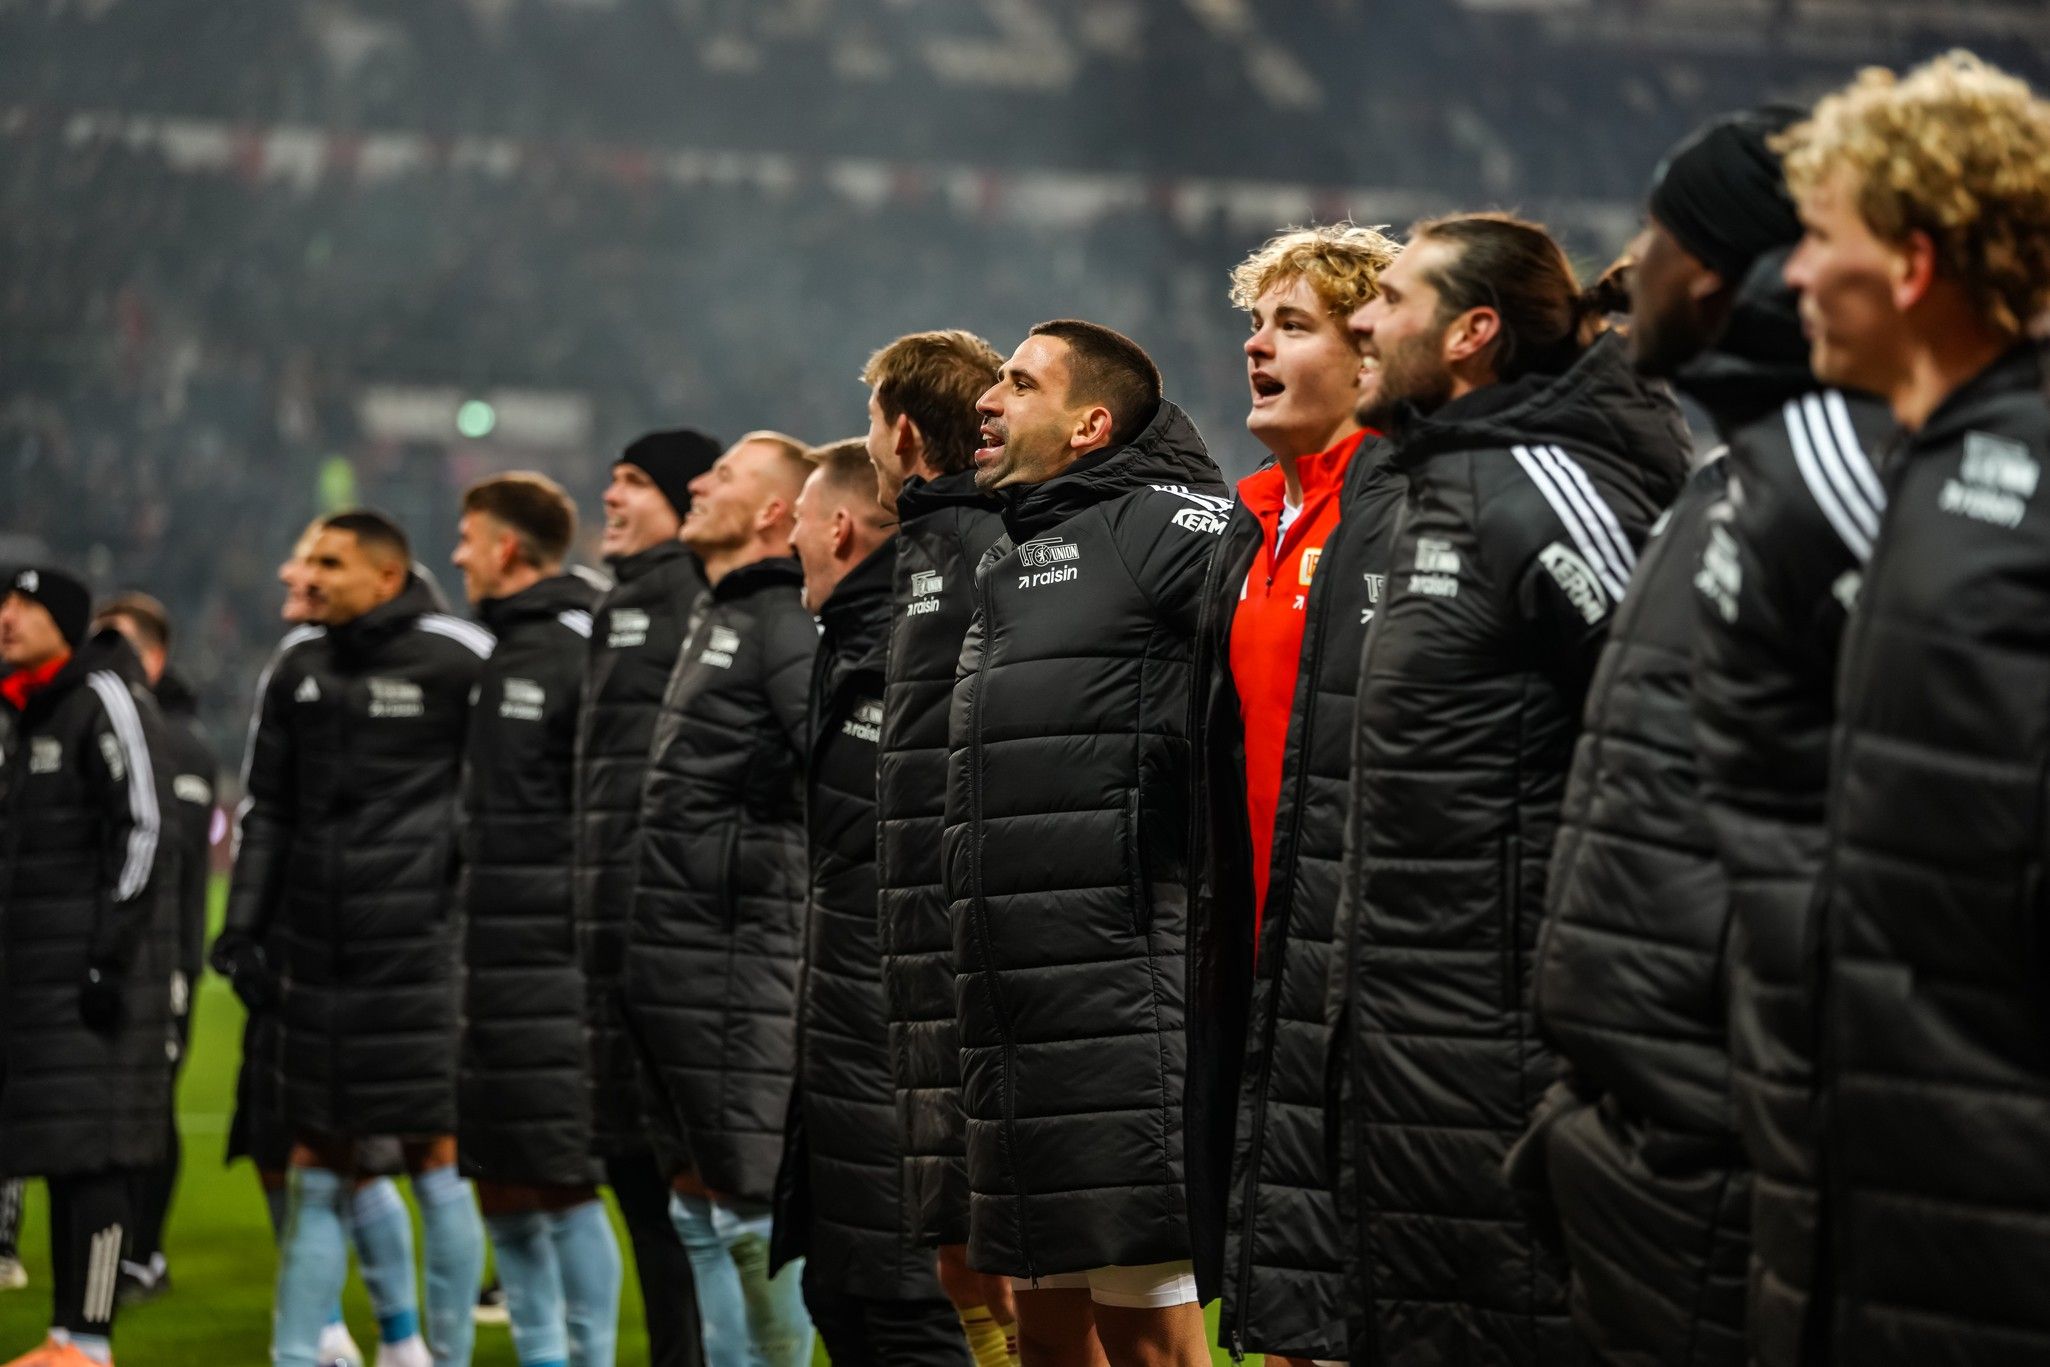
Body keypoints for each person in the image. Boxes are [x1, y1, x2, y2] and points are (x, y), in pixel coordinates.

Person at [1515, 108, 1893, 1366]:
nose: (1629, 266)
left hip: (1726, 1148)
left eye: (1657, 232)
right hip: (1638, 1136)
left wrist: (1739, 1095)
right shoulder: (1736, 478)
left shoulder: (1845, 479)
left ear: (1728, 268)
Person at [1333, 214, 1690, 1364]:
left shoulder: (1549, 488)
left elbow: (1666, 735)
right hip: (1416, 1047)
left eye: (1390, 297)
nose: (1359, 318)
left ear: (1471, 333)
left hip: (1514, 1053)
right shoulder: (1436, 480)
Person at [1778, 53, 2050, 1363]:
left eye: (1818, 237)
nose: (1788, 275)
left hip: (1990, 1192)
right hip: (1901, 1166)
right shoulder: (1925, 471)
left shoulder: (2021, 481)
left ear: (1912, 262)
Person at [945, 320, 1228, 1367]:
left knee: (1150, 1335)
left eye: (1019, 382)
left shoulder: (1167, 523)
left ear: (1089, 423)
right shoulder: (1018, 551)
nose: (990, 397)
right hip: (1020, 1012)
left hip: (1121, 999)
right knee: (1045, 1332)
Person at [1188, 224, 1403, 1367]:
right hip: (1266, 967)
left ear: (1370, 353)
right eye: (1254, 321)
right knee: (1284, 1315)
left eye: (1291, 323)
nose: (1253, 343)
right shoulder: (1256, 511)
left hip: (1365, 970)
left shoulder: (1403, 510)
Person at [211, 510, 492, 1367]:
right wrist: (244, 927)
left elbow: (503, 796)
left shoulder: (458, 656)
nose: (307, 572)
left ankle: (439, 1356)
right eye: (304, 556)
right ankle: (301, 1355)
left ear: (385, 573)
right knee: (315, 1158)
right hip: (317, 956)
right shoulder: (295, 665)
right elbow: (268, 810)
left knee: (434, 1153)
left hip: (421, 955)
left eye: (328, 560)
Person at [770, 440, 972, 1365]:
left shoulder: (912, 645)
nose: (789, 541)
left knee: (907, 1320)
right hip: (849, 1070)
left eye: (800, 521)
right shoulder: (847, 646)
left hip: (902, 1081)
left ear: (840, 528)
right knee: (846, 1304)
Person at [625, 432, 819, 1367]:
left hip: (742, 962)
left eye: (727, 477)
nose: (700, 484)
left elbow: (836, 771)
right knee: (696, 1206)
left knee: (744, 1207)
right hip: (684, 959)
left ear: (777, 512)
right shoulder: (720, 613)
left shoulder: (783, 619)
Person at [863, 329, 1020, 1367]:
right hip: (930, 921)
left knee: (1004, 1237)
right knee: (963, 1238)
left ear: (906, 431)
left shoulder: (984, 547)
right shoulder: (933, 546)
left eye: (875, 421)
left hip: (966, 926)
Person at [449, 474, 622, 1367]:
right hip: (489, 960)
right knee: (504, 1184)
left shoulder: (575, 642)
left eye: (468, 537)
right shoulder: (504, 649)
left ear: (508, 548)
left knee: (559, 1182)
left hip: (554, 965)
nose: (457, 554)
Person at [0, 565, 179, 1367]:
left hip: (92, 981)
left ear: (67, 622)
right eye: (1, 602)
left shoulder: (103, 697)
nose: (6, 617)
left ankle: (89, 1339)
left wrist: (107, 956)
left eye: (25, 604)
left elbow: (146, 826)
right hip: (30, 981)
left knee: (97, 1153)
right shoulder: (16, 711)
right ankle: (64, 1335)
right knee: (57, 1147)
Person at [573, 429, 717, 1367]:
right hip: (610, 952)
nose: (612, 497)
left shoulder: (702, 604)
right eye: (612, 479)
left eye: (635, 483)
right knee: (640, 1188)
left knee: (693, 1207)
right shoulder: (620, 606)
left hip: (672, 954)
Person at [88, 593, 219, 1309]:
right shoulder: (90, 726)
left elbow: (182, 864)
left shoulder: (183, 745)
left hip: (166, 954)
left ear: (154, 656)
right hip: (106, 948)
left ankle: (145, 1251)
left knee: (152, 1100)